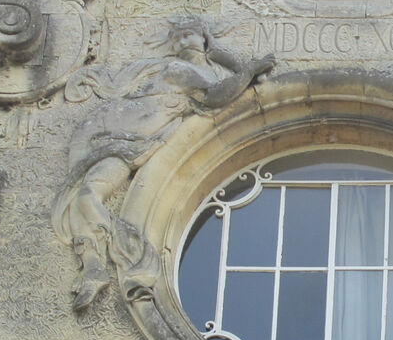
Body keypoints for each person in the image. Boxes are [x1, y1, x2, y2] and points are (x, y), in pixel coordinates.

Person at [53, 16, 274, 310]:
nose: (182, 42)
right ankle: (94, 263)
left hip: (140, 141)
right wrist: (249, 70)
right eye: (177, 38)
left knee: (87, 196)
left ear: (204, 38)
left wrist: (235, 62)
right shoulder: (178, 69)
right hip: (118, 135)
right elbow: (215, 95)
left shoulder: (208, 68)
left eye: (189, 35)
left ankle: (98, 264)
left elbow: (229, 81)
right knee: (86, 195)